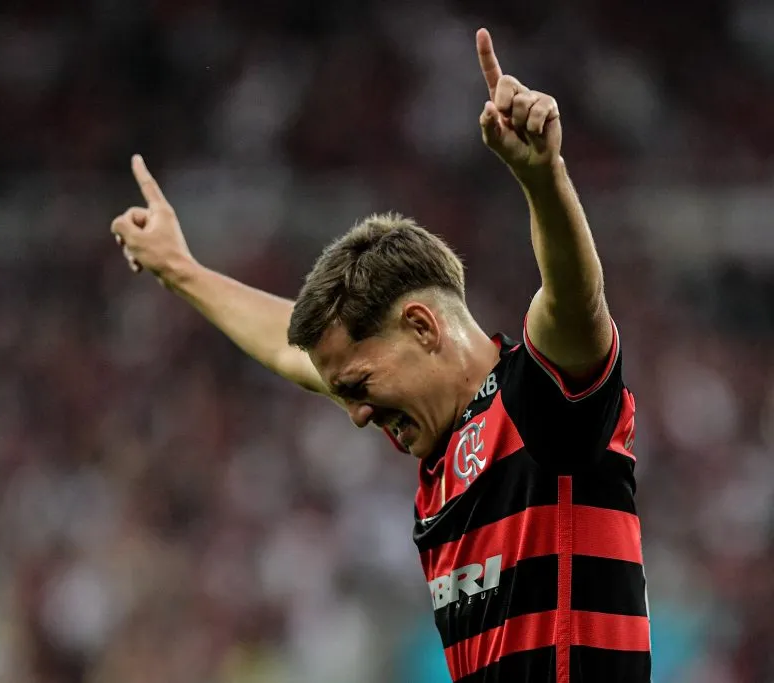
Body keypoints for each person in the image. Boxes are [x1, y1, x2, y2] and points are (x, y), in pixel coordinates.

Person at [111, 28, 650, 683]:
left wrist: (543, 179)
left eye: (359, 385)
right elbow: (290, 351)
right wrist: (180, 270)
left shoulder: (541, 399)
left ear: (423, 326)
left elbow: (574, 299)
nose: (357, 415)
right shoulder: (436, 445)